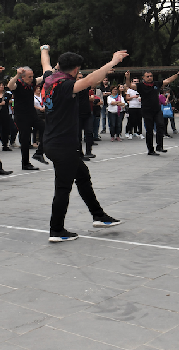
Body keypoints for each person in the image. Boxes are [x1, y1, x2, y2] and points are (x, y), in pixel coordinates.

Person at [43, 49, 128, 242]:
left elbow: (45, 63)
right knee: (63, 188)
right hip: (62, 145)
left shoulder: (49, 79)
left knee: (82, 176)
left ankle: (98, 215)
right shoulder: (65, 85)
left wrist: (44, 50)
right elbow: (90, 80)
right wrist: (112, 62)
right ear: (75, 69)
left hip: (53, 142)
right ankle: (56, 230)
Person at [125, 68, 179, 155]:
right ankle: (150, 149)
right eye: (147, 76)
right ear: (143, 77)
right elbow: (129, 85)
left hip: (157, 110)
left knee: (161, 125)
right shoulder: (140, 86)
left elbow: (167, 80)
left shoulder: (156, 84)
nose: (150, 78)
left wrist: (178, 74)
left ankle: (159, 146)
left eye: (151, 76)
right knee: (149, 130)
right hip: (147, 110)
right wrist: (127, 77)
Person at [9, 49, 49, 170]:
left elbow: (43, 77)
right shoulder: (18, 85)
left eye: (32, 76)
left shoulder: (31, 84)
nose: (32, 78)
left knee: (45, 128)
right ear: (22, 76)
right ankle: (25, 163)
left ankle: (39, 153)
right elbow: (10, 85)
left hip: (32, 114)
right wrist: (16, 74)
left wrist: (56, 69)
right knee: (25, 140)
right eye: (29, 76)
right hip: (21, 117)